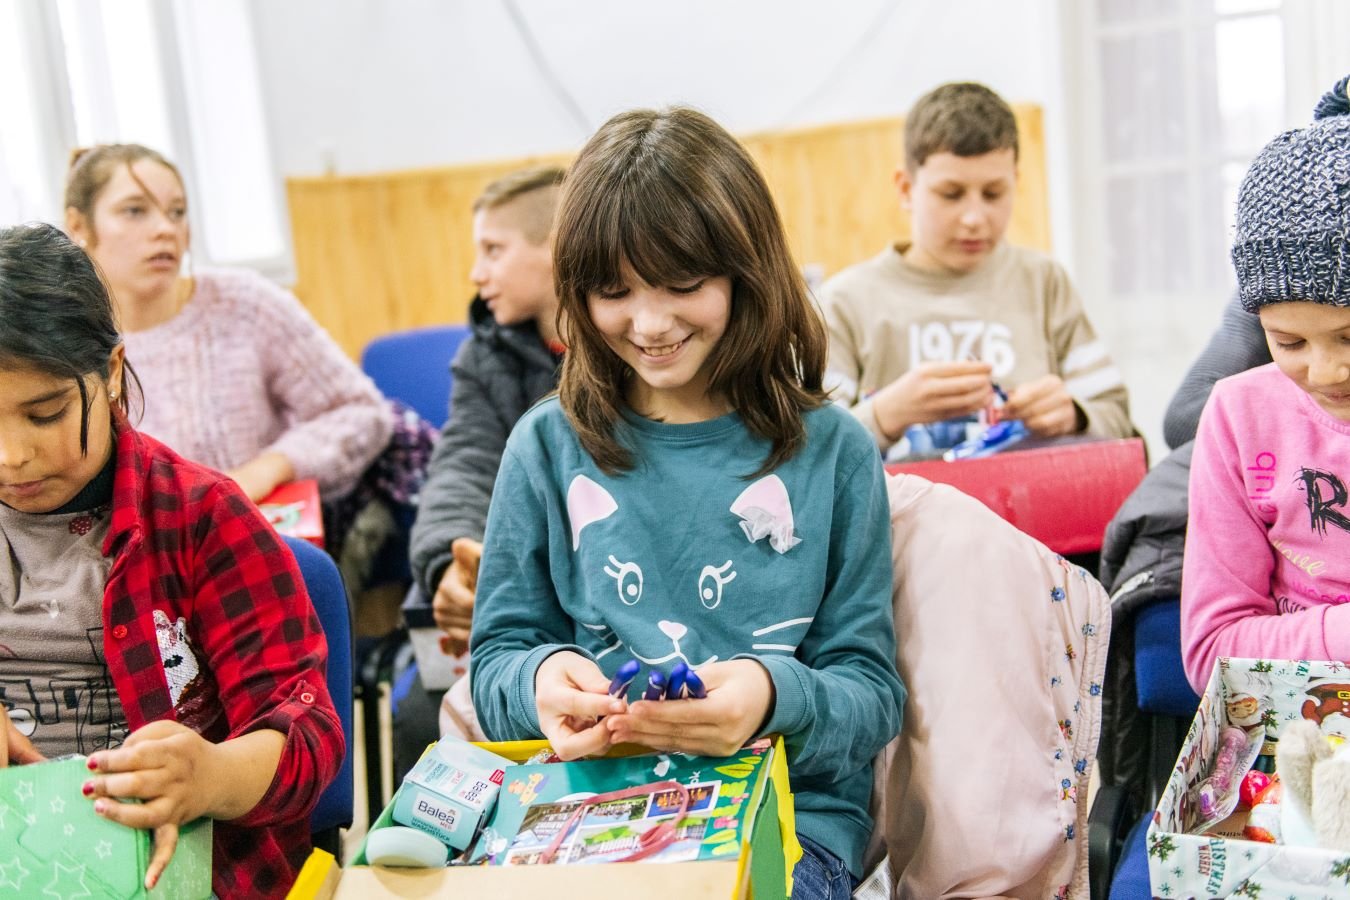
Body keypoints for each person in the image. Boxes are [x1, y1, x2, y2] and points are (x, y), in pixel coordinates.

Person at [468, 107, 905, 899]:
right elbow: (495, 665)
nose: (651, 323)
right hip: (582, 823)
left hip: (789, 823)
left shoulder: (834, 453)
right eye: (613, 290)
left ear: (747, 272)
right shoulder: (544, 446)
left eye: (683, 285)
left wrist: (773, 697)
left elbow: (870, 696)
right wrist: (542, 679)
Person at [0, 223, 342, 898]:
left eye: (44, 414)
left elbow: (307, 735)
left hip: (191, 876)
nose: (11, 455)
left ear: (112, 375)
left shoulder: (201, 518)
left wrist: (210, 776)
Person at [820, 82, 1134, 458]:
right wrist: (883, 415)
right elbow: (810, 455)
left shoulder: (1044, 282)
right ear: (906, 189)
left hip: (1030, 509)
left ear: (1016, 182)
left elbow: (1117, 418)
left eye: (993, 194)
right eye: (950, 195)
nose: (974, 218)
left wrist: (1075, 415)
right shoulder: (845, 302)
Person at [63, 144, 390, 504]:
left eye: (177, 212)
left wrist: (269, 469)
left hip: (264, 543)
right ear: (79, 226)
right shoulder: (62, 341)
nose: (165, 229)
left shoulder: (245, 304)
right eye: (135, 210)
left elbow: (361, 412)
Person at [1181, 76, 1350, 693]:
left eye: (1349, 338)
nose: (1326, 372)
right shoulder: (1238, 415)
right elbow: (1212, 654)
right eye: (1290, 342)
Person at [394, 165, 565, 772]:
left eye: (494, 250)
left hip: (592, 596)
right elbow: (462, 465)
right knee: (419, 714)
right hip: (511, 595)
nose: (476, 273)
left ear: (558, 245)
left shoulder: (626, 348)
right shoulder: (485, 356)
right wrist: (449, 559)